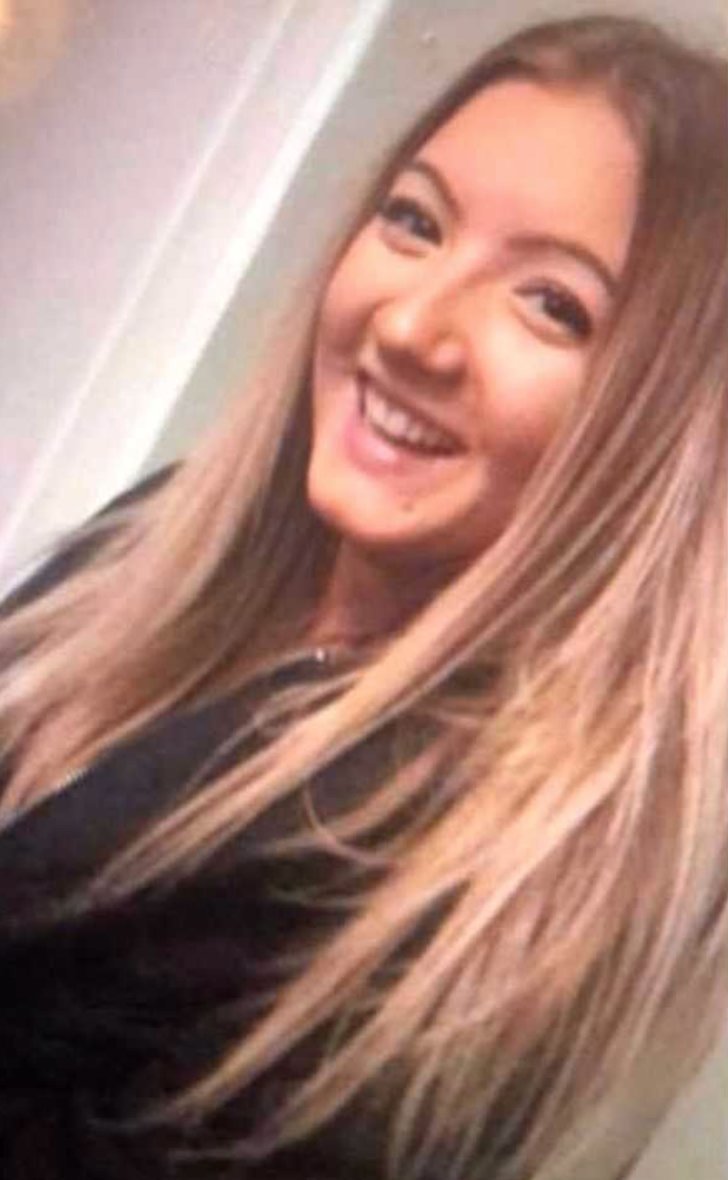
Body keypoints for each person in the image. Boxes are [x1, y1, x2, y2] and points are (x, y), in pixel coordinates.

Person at [0, 12, 726, 1180]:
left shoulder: (406, 888)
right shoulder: (170, 539)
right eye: (413, 221)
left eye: (549, 304)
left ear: (660, 439)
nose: (409, 325)